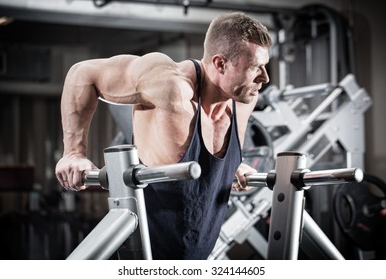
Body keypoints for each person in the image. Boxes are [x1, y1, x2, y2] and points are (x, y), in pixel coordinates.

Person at [55, 11, 272, 260]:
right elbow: (82, 73)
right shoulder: (170, 87)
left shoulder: (243, 100)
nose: (265, 77)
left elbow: (208, 153)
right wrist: (74, 153)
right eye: (256, 67)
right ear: (220, 63)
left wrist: (230, 165)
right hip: (141, 259)